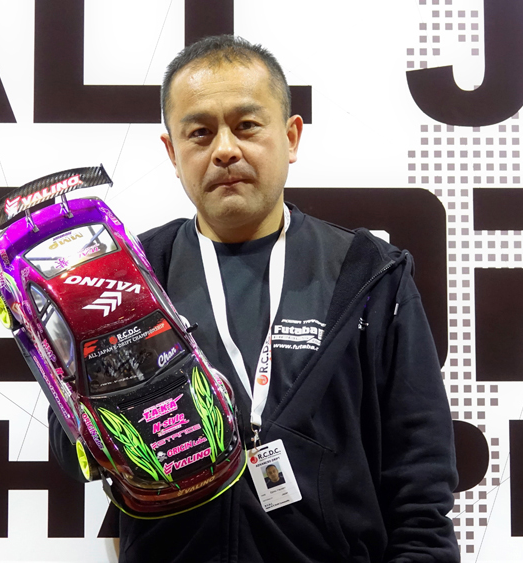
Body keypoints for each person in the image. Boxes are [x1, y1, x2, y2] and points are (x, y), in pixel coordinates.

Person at [50, 35, 459, 563]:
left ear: (290, 137)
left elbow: (421, 486)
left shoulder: (368, 272)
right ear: (173, 153)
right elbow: (73, 457)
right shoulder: (123, 280)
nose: (225, 149)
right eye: (200, 132)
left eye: (246, 125)